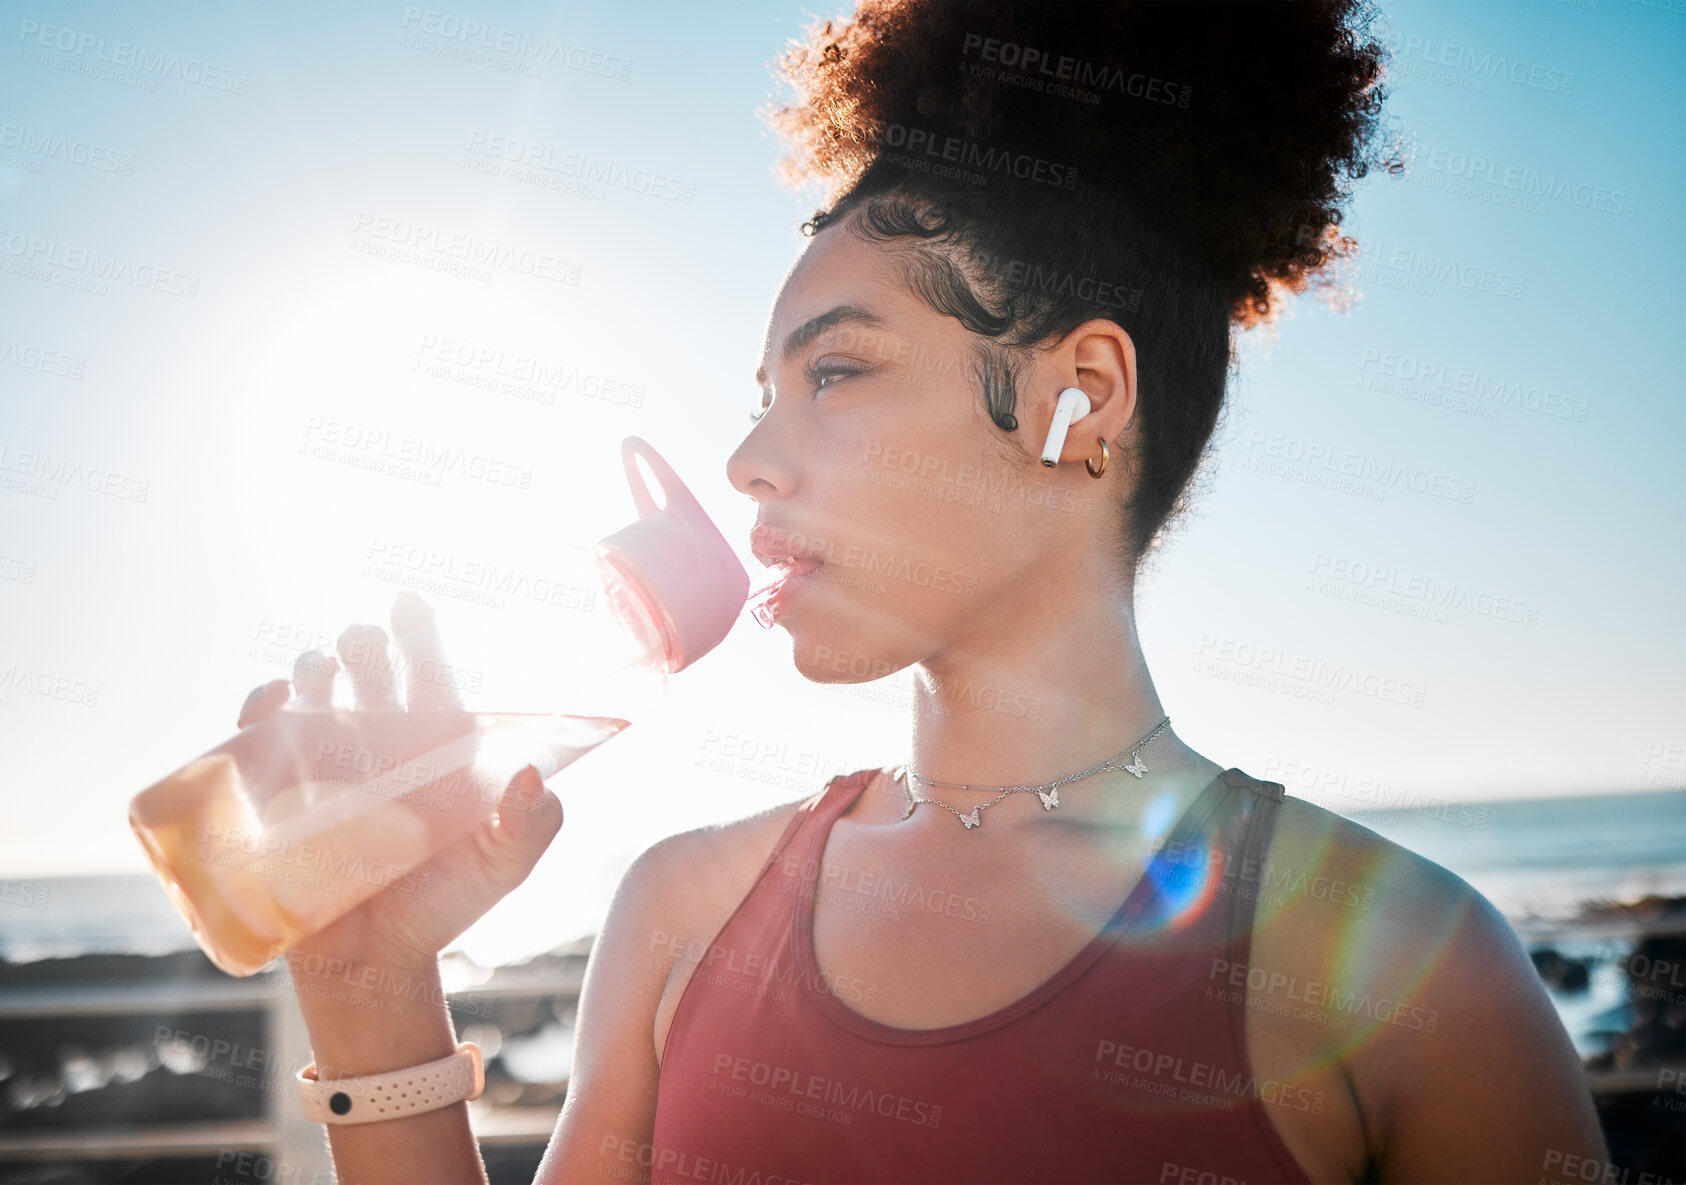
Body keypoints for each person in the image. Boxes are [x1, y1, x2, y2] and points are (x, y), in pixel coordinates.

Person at [236, 1, 1610, 1180]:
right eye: (762, 394)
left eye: (834, 372)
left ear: (1079, 400)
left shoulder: (1418, 973)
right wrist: (368, 984)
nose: (747, 459)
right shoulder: (682, 907)